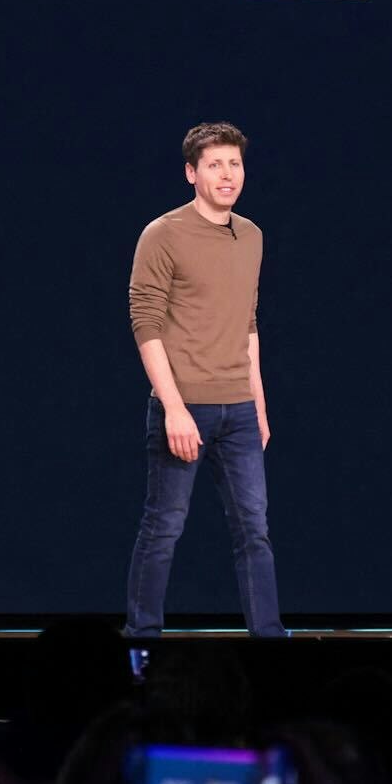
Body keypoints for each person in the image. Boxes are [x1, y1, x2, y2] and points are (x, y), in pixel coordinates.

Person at [124, 121, 285, 638]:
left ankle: (269, 638)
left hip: (238, 408)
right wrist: (172, 406)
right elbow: (145, 321)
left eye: (234, 163)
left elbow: (249, 323)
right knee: (164, 526)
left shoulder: (253, 235)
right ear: (192, 172)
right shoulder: (163, 233)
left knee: (254, 531)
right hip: (185, 405)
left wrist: (259, 405)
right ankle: (143, 640)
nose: (227, 174)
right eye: (215, 164)